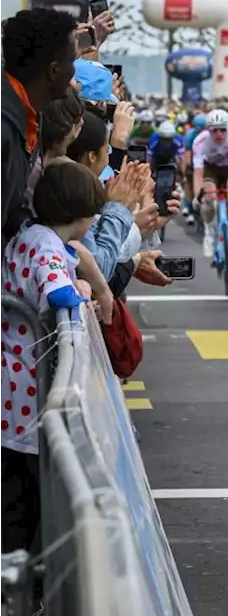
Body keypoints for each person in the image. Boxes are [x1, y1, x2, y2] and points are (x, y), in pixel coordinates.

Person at [0, 161, 112, 555]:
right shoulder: (47, 245)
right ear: (79, 218)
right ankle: (22, 577)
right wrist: (81, 297)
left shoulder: (28, 234)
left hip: (11, 372)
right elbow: (56, 292)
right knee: (25, 488)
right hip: (26, 384)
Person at [0, 8, 80, 240]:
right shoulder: (5, 127)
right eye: (73, 61)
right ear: (54, 70)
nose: (75, 73)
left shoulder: (30, 116)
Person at [192, 109, 228, 257]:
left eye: (223, 130)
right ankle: (209, 232)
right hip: (211, 169)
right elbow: (198, 173)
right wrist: (198, 196)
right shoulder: (200, 141)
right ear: (208, 130)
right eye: (214, 130)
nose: (219, 134)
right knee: (209, 197)